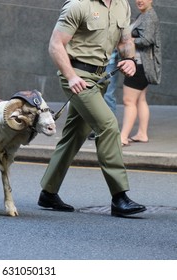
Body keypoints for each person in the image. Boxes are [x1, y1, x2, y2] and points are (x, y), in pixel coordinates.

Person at [38, 0, 146, 217]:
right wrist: (70, 76)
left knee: (75, 135)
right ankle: (119, 197)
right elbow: (56, 44)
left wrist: (130, 60)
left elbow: (125, 41)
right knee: (108, 126)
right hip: (77, 76)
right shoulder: (78, 5)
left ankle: (48, 192)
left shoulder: (121, 5)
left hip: (101, 76)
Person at [120, 0, 161, 146]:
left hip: (139, 65)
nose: (139, 0)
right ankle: (142, 133)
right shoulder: (144, 14)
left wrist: (130, 40)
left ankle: (123, 137)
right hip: (143, 65)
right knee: (140, 99)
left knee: (128, 101)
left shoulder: (149, 16)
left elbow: (147, 39)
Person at [87, 49, 119, 140]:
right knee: (91, 94)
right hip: (91, 61)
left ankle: (109, 129)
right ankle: (95, 127)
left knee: (108, 95)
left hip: (110, 61)